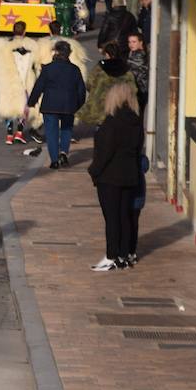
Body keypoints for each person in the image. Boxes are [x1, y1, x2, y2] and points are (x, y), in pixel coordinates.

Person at [87, 83, 143, 271]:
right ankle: (124, 254)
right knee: (124, 216)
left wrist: (94, 170)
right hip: (129, 175)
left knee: (112, 218)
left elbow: (104, 152)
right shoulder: (135, 122)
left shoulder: (111, 123)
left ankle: (111, 255)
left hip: (110, 177)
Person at [25, 39, 88, 169]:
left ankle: (54, 160)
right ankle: (64, 152)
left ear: (56, 52)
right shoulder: (74, 70)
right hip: (68, 105)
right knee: (66, 129)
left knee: (51, 133)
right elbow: (81, 90)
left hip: (50, 105)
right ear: (69, 53)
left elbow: (39, 87)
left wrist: (31, 102)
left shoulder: (48, 68)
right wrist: (77, 105)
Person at [0, 21, 37, 145]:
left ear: (13, 30)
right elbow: (36, 62)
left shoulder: (2, 45)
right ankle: (19, 133)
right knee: (24, 107)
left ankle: (9, 135)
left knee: (8, 107)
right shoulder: (31, 46)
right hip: (24, 80)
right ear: (24, 31)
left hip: (7, 81)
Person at [76, 43, 136, 127]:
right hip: (121, 105)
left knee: (101, 128)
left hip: (101, 104)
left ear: (107, 54)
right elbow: (132, 86)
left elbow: (89, 83)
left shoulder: (100, 67)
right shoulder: (126, 67)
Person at [126, 32, 149, 113]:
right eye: (129, 42)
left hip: (139, 89)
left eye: (134, 42)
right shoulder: (134, 53)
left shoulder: (138, 56)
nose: (131, 44)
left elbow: (131, 73)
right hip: (140, 89)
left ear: (141, 42)